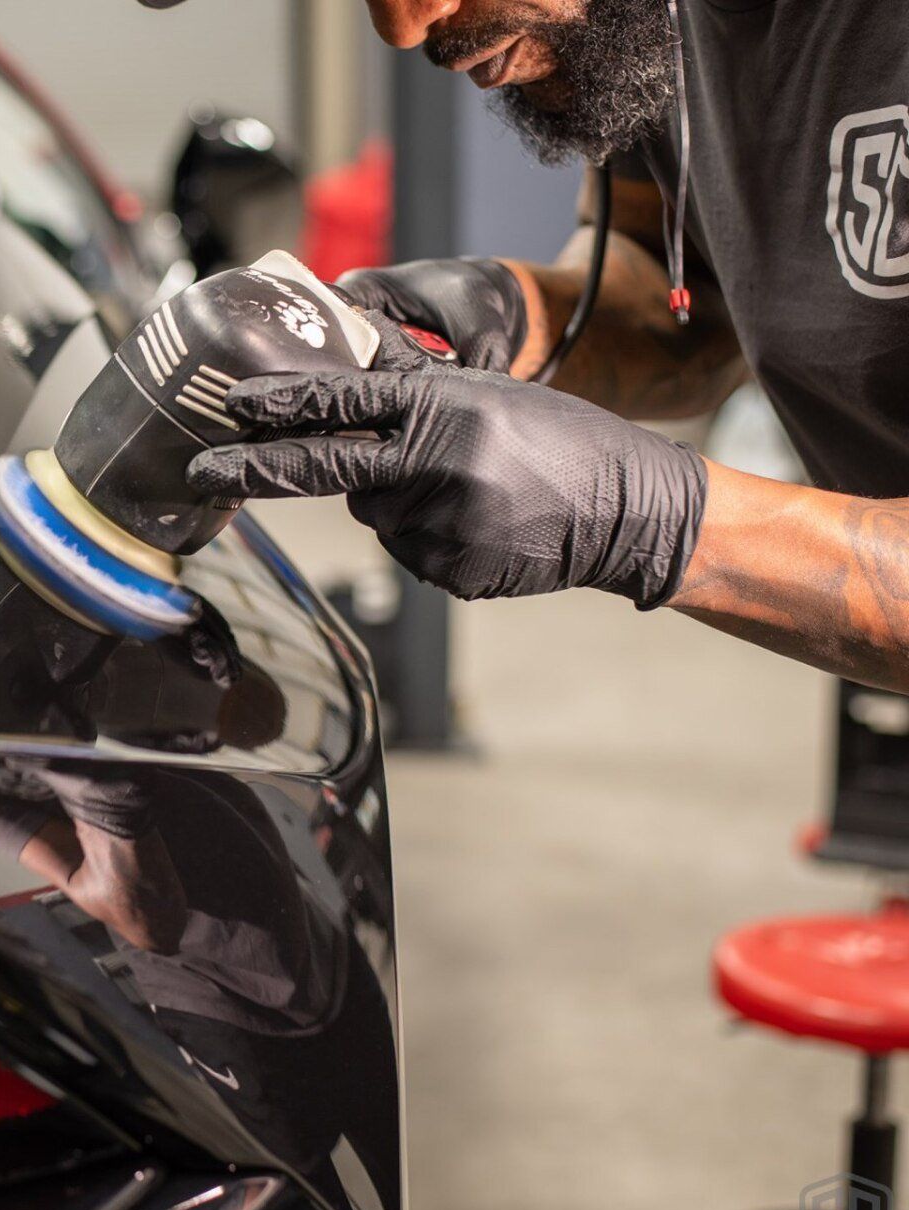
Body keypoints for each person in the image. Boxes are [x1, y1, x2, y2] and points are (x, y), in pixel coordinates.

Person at [142, 0, 909, 694]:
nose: (405, 27)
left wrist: (640, 515)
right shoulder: (656, 22)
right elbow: (684, 298)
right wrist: (499, 315)